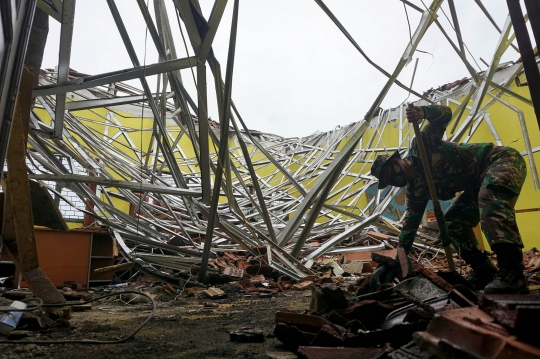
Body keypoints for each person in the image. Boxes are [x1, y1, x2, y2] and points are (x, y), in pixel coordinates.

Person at [370, 104, 529, 294]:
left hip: (499, 161)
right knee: (453, 222)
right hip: (476, 183)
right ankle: (484, 270)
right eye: (388, 181)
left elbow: (444, 114)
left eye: (390, 173)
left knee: (489, 199)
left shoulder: (422, 145)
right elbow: (409, 228)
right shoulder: (416, 192)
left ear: (396, 161)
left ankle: (513, 274)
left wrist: (423, 112)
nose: (394, 180)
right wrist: (397, 262)